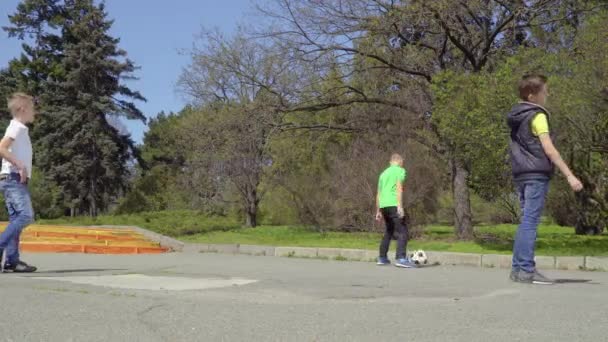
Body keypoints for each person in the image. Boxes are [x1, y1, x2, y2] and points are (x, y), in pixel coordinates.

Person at [507, 74, 583, 284]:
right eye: (544, 91)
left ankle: (518, 269)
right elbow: (549, 149)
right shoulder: (537, 116)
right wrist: (570, 175)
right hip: (536, 174)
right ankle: (527, 270)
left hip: (520, 174)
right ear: (532, 95)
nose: (547, 95)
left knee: (525, 221)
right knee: (530, 222)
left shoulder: (516, 116)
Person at [0, 92, 37, 273]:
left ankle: (12, 261)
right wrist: (19, 165)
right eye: (32, 109)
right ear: (23, 109)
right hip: (13, 178)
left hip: (11, 179)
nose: (34, 113)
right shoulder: (17, 127)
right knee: (25, 216)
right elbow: (2, 147)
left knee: (16, 219)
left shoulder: (19, 128)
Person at [375, 153, 415, 268]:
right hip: (393, 204)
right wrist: (400, 206)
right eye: (402, 162)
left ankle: (382, 257)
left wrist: (378, 211)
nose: (403, 164)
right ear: (399, 161)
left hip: (383, 205)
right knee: (403, 231)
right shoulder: (400, 171)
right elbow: (399, 188)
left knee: (389, 230)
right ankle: (401, 258)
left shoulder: (383, 174)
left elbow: (378, 193)